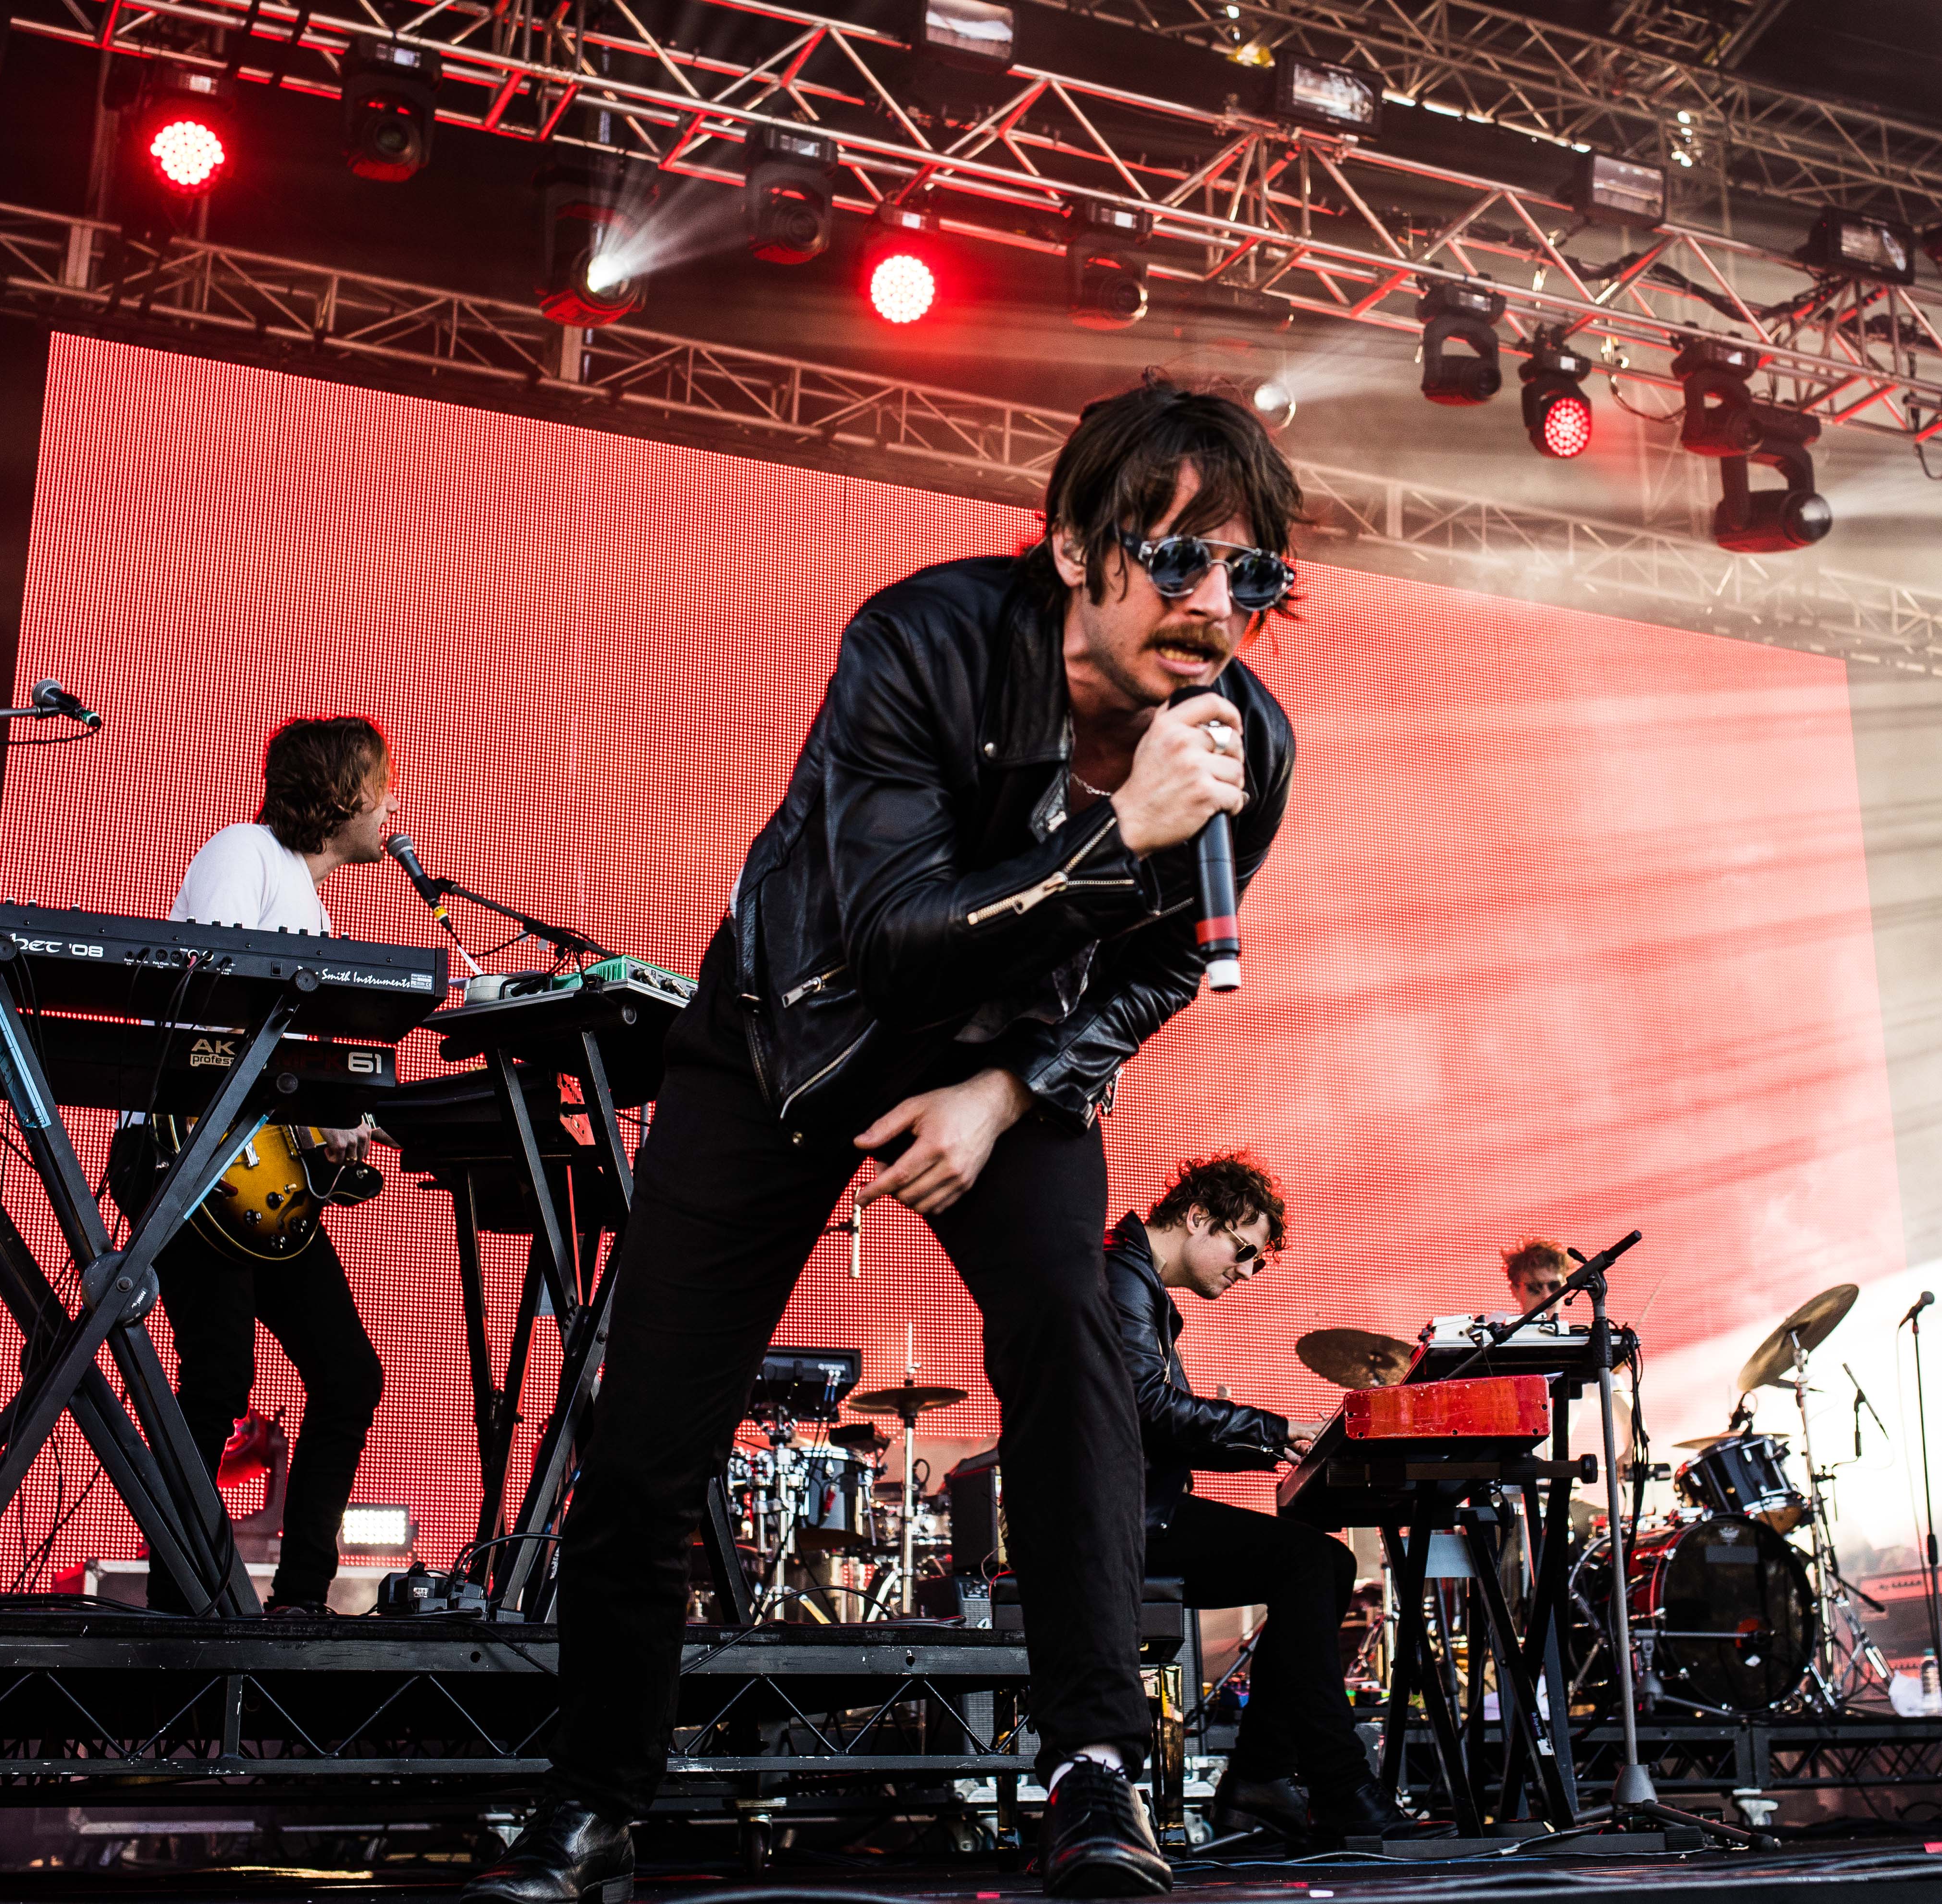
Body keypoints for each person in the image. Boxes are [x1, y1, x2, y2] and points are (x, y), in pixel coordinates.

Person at [467, 379, 1302, 1904]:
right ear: (1073, 547)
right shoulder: (923, 642)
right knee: (650, 1423)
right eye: (1176, 557)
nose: (1212, 604)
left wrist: (1011, 1093)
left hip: (1002, 1059)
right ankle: (593, 1800)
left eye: (1248, 572)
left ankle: (1094, 1769)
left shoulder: (1243, 745)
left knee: (1074, 1335)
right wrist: (1116, 835)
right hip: (791, 1033)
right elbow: (891, 929)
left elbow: (1162, 967)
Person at [143, 714, 392, 1616]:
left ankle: (300, 1601)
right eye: (382, 785)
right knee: (217, 1378)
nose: (394, 805)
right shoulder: (241, 850)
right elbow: (205, 1003)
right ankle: (178, 1603)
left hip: (263, 1180)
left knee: (349, 1375)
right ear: (342, 794)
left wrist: (332, 1122)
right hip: (193, 1159)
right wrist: (314, 1111)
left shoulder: (314, 908)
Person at [1104, 1152, 1401, 1845]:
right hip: (1114, 1521)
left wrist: (1272, 1440)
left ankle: (1264, 1778)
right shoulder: (1120, 1278)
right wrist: (1269, 1431)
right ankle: (1325, 1782)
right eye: (1242, 1251)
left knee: (1319, 1564)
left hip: (1129, 1509)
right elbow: (1147, 1409)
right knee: (1311, 1563)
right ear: (1197, 1217)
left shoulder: (1133, 1280)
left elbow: (1152, 1423)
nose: (1243, 1272)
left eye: (1255, 1264)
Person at [1498, 1237, 1570, 1317]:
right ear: (1516, 1291)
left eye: (1554, 1286)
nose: (1547, 1296)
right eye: (1535, 1287)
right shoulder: (1499, 1323)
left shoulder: (1577, 1326)